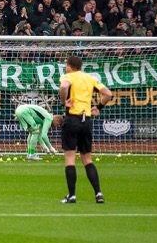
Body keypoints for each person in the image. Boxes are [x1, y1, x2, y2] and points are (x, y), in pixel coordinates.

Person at [58, 54, 112, 203]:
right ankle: (98, 193)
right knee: (87, 158)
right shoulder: (90, 78)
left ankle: (72, 195)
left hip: (72, 118)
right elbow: (108, 93)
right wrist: (99, 107)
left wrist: (64, 103)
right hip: (86, 120)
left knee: (70, 158)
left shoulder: (68, 77)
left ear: (69, 66)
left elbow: (64, 86)